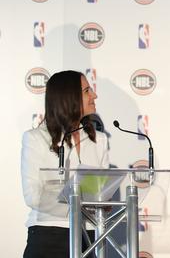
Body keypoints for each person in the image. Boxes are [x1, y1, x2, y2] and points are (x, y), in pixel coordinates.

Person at [21, 70, 110, 258]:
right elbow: (32, 196)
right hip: (49, 235)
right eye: (87, 91)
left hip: (89, 236)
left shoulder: (99, 140)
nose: (95, 95)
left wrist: (103, 201)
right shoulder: (36, 139)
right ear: (69, 98)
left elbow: (101, 195)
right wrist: (78, 206)